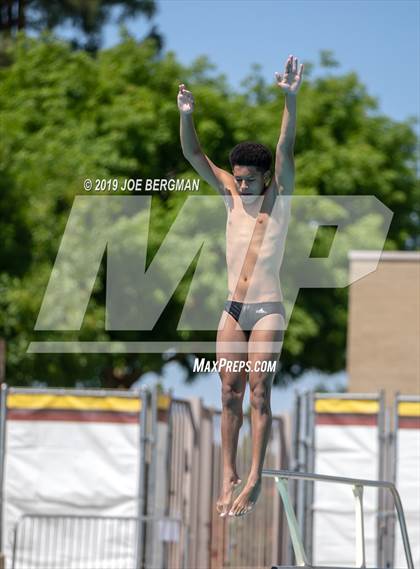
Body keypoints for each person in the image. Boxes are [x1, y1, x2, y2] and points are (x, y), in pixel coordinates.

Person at [177, 55, 304, 517]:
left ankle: (254, 476)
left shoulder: (279, 195)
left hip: (267, 308)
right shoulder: (230, 193)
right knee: (227, 390)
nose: (244, 185)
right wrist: (186, 117)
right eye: (240, 178)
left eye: (251, 179)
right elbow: (194, 155)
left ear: (266, 177)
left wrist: (289, 97)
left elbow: (285, 146)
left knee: (258, 391)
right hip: (232, 308)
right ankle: (228, 470)